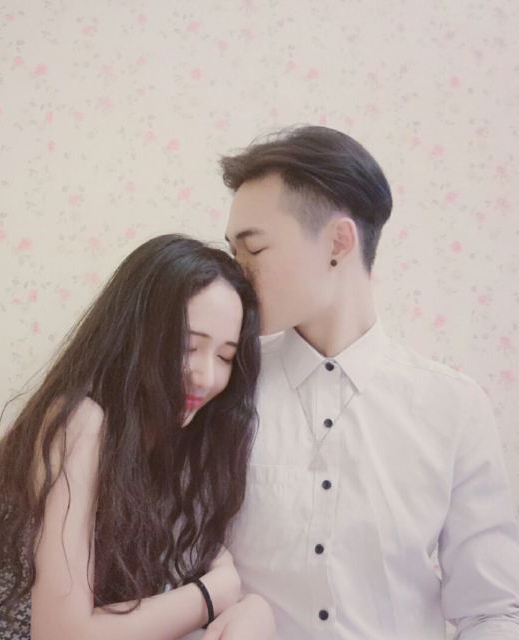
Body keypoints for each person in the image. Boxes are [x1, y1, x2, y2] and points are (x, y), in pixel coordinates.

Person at [0, 234, 276, 640]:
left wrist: (252, 606)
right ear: (137, 333)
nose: (207, 377)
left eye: (225, 356)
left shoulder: (162, 456)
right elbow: (63, 635)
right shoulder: (79, 421)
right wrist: (212, 595)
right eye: (188, 346)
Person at [213, 125, 519, 639]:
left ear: (338, 243)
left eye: (254, 251)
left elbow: (492, 611)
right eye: (233, 253)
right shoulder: (222, 385)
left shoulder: (454, 407)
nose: (235, 276)